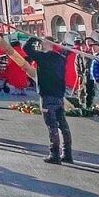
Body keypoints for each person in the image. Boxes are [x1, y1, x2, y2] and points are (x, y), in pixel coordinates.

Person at [24, 36, 73, 164]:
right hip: (59, 94)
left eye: (43, 42)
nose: (40, 44)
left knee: (52, 125)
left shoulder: (43, 57)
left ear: (47, 44)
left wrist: (33, 38)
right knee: (63, 124)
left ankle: (54, 154)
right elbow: (67, 51)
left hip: (47, 95)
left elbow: (26, 48)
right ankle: (67, 153)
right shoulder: (60, 58)